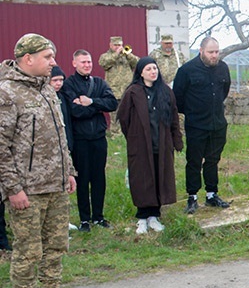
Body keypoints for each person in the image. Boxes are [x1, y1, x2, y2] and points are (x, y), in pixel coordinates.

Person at [0, 33, 87, 288]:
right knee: (28, 251)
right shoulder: (8, 93)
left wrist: (69, 172)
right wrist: (13, 188)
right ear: (28, 59)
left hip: (56, 184)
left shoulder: (47, 90)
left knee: (56, 245)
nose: (53, 62)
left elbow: (59, 135)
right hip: (27, 190)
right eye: (48, 57)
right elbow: (1, 146)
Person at [117, 57, 184, 234]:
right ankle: (142, 217)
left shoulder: (165, 91)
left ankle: (154, 215)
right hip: (140, 144)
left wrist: (176, 139)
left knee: (159, 177)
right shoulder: (133, 92)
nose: (153, 72)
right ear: (140, 73)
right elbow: (124, 119)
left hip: (161, 143)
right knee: (142, 179)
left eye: (155, 68)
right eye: (148, 69)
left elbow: (174, 117)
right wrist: (134, 136)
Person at [173, 36, 232, 214]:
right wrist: (194, 111)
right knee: (194, 161)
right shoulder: (186, 70)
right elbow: (178, 98)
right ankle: (192, 197)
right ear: (201, 51)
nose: (214, 55)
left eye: (216, 52)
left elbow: (224, 91)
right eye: (210, 52)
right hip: (196, 124)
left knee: (213, 160)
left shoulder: (223, 68)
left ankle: (211, 194)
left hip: (217, 123)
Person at [62, 49, 118, 231]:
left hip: (99, 138)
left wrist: (91, 102)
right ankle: (85, 219)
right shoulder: (69, 85)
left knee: (99, 178)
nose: (87, 65)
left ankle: (98, 217)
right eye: (83, 62)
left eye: (89, 62)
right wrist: (98, 106)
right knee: (83, 179)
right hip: (81, 140)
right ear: (74, 63)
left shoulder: (99, 82)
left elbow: (112, 103)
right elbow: (75, 111)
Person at [49, 66, 74, 154]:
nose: (58, 83)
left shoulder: (64, 96)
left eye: (61, 80)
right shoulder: (44, 98)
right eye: (55, 80)